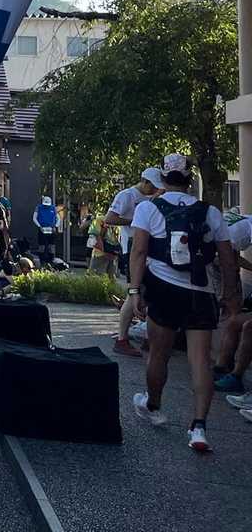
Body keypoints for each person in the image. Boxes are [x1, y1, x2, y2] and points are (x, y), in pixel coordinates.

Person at [129, 153, 239, 452]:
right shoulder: (210, 212)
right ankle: (199, 427)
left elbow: (139, 252)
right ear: (190, 181)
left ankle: (153, 405)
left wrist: (135, 290)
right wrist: (230, 295)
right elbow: (227, 259)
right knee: (200, 360)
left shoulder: (149, 208)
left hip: (164, 288)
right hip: (200, 292)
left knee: (158, 353)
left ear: (163, 178)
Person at [106, 167, 165, 356]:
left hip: (149, 250)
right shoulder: (127, 196)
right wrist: (136, 221)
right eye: (153, 186)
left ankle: (147, 336)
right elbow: (110, 218)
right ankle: (122, 339)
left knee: (148, 293)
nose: (155, 190)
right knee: (135, 293)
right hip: (132, 249)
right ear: (144, 181)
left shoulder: (153, 197)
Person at [212, 215, 252, 394]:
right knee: (234, 319)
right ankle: (222, 368)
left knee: (244, 323)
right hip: (217, 262)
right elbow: (229, 260)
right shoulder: (244, 227)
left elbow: (232, 260)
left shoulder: (240, 222)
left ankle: (232, 373)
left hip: (214, 261)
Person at [33, 195, 60, 267]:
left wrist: (55, 226)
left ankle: (51, 261)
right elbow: (34, 218)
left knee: (51, 246)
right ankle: (42, 261)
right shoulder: (39, 207)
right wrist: (39, 226)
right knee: (42, 246)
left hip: (51, 229)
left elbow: (58, 218)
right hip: (42, 229)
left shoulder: (53, 208)